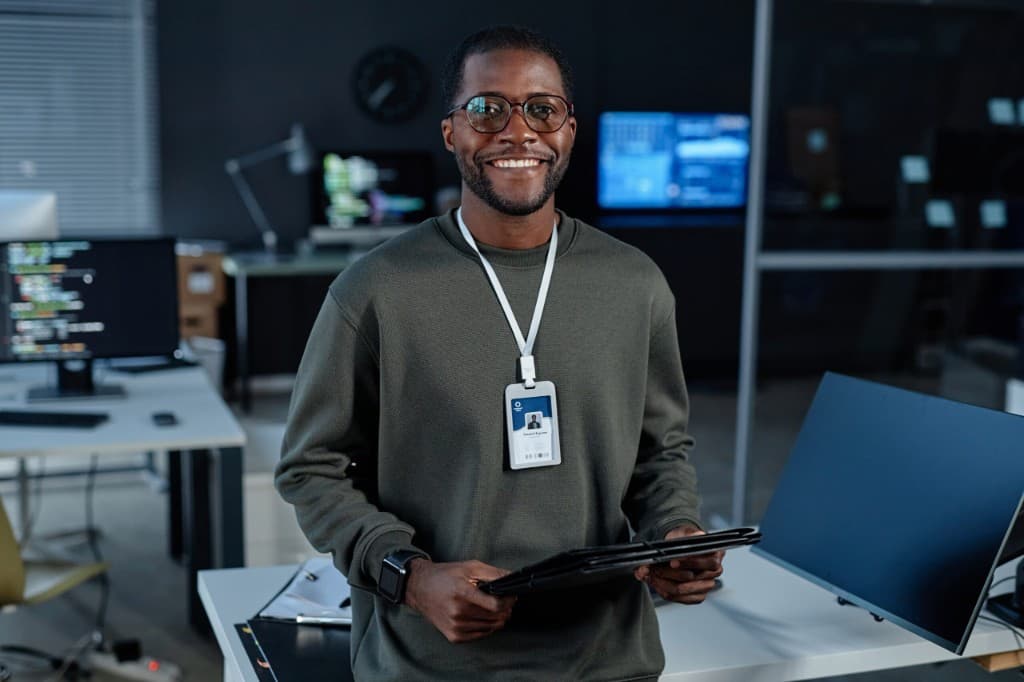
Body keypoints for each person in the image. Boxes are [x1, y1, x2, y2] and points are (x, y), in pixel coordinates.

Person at [275, 24, 723, 681]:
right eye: (488, 109)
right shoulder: (374, 292)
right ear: (450, 131)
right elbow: (310, 467)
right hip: (431, 662)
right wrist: (409, 574)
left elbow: (662, 453)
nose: (519, 132)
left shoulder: (635, 285)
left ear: (569, 130)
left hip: (606, 658)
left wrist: (678, 533)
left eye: (543, 109)